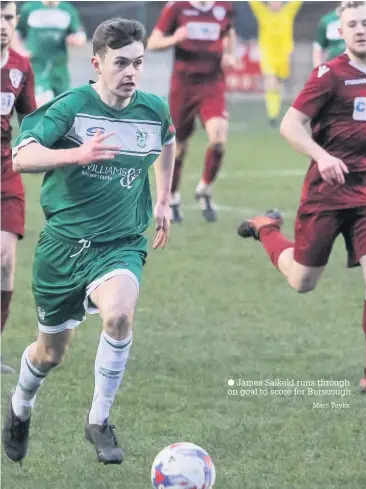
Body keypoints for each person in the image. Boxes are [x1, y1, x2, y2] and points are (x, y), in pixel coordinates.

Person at [2, 17, 176, 465]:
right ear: (97, 63)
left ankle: (98, 420)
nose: (131, 72)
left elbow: (168, 141)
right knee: (49, 354)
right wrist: (77, 153)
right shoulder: (72, 106)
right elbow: (23, 156)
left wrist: (162, 199)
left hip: (119, 244)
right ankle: (21, 407)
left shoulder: (153, 109)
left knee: (119, 317)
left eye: (138, 63)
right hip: (62, 249)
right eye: (121, 63)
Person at [238, 0, 366, 395]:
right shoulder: (328, 75)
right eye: (353, 25)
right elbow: (290, 125)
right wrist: (322, 155)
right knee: (302, 280)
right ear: (341, 33)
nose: (361, 30)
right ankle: (266, 228)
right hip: (326, 193)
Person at [148, 1, 237, 223]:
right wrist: (175, 38)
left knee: (218, 139)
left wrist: (229, 53)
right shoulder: (176, 7)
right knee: (178, 147)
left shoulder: (223, 7)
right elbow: (153, 42)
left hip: (212, 84)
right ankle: (173, 196)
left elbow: (229, 33)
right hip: (183, 86)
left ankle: (204, 188)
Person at [0, 0, 37, 374]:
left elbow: (30, 119)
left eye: (8, 17)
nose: (2, 24)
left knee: (6, 262)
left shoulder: (21, 67)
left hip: (5, 171)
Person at [13, 1, 86, 106]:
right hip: (37, 66)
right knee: (42, 104)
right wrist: (20, 50)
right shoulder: (30, 8)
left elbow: (79, 33)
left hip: (59, 68)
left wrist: (77, 39)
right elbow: (16, 32)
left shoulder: (67, 9)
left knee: (62, 106)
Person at [249, 1, 303, 126]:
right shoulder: (263, 13)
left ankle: (274, 112)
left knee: (278, 84)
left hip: (284, 56)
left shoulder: (287, 12)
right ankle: (272, 115)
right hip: (268, 55)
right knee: (271, 82)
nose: (276, 3)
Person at [313, 1, 366, 67]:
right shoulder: (327, 20)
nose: (359, 31)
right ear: (340, 32)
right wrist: (320, 71)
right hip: (336, 76)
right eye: (352, 25)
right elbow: (317, 49)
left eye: (365, 24)